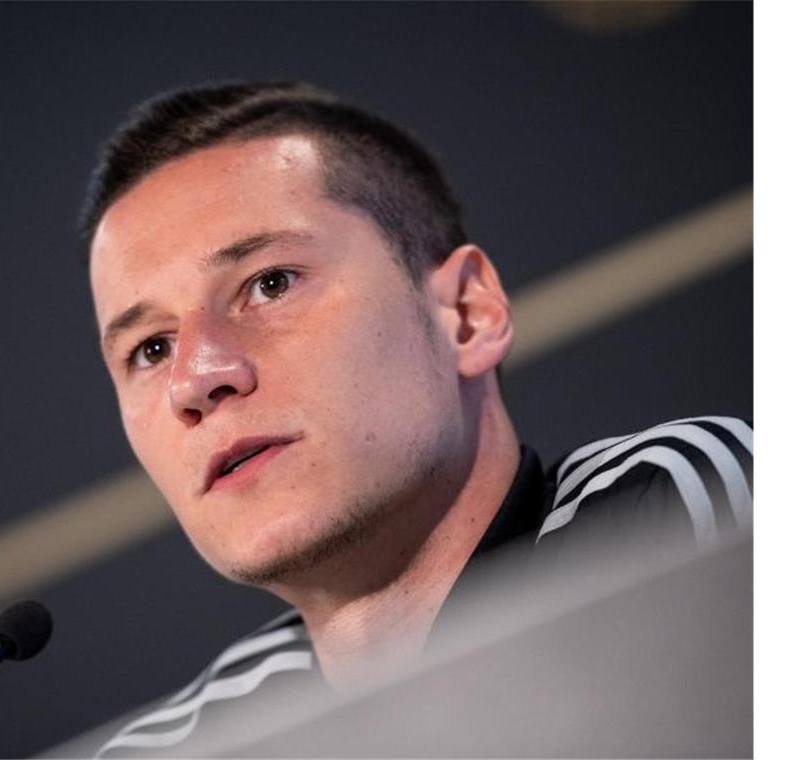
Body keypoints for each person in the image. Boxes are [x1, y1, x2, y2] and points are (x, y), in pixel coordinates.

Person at [78, 81, 752, 757]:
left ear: (466, 313)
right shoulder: (183, 745)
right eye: (151, 349)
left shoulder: (678, 508)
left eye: (270, 284)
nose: (195, 379)